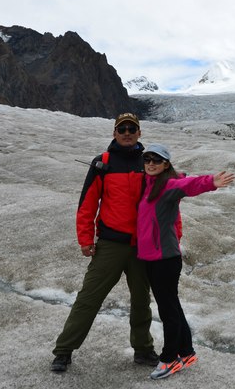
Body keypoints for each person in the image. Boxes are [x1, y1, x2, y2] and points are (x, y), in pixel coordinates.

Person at [50, 113, 158, 372]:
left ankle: (143, 349)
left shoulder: (150, 163)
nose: (127, 132)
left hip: (141, 246)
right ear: (114, 133)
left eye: (132, 128)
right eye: (122, 129)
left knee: (141, 301)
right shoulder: (103, 163)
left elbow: (167, 199)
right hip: (110, 244)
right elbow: (87, 203)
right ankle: (63, 351)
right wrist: (85, 239)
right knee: (89, 298)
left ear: (139, 133)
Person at [135, 143, 235, 380]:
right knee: (172, 306)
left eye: (156, 160)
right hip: (152, 257)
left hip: (165, 259)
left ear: (166, 164)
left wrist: (210, 182)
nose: (151, 163)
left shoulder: (168, 186)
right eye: (147, 159)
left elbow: (188, 185)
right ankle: (187, 351)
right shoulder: (147, 184)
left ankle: (170, 358)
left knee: (167, 310)